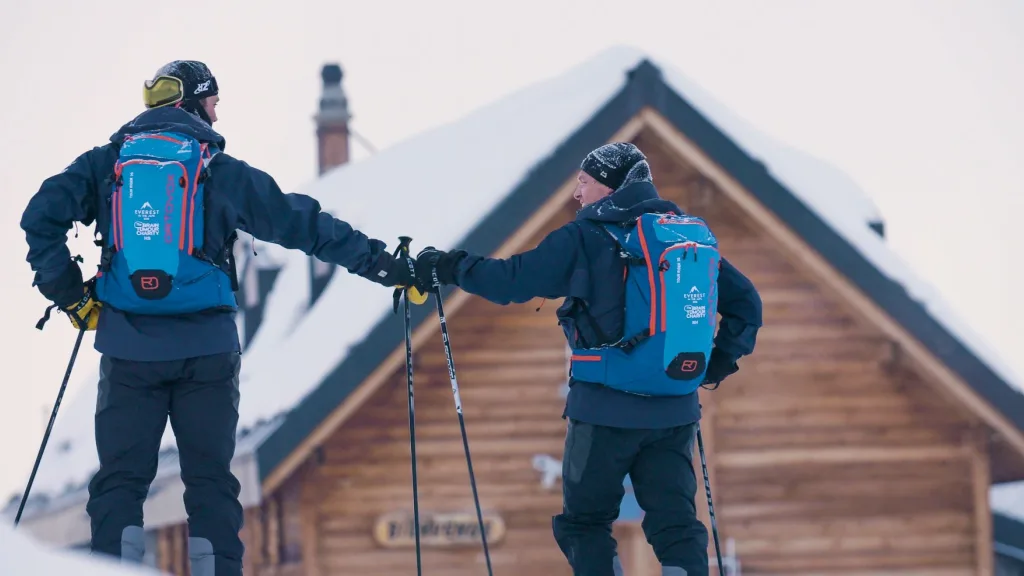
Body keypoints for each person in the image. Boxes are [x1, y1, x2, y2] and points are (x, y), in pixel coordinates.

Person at [20, 60, 420, 576]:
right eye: (212, 102)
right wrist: (384, 265)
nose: (215, 113)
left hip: (127, 349)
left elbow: (39, 217)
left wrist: (72, 297)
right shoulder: (218, 170)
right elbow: (303, 224)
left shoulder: (106, 164)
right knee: (210, 483)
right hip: (207, 351)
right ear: (195, 103)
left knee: (120, 484)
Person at [412, 143, 762, 576]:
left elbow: (509, 282)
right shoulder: (686, 237)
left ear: (610, 186)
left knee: (584, 523)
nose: (577, 195)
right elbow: (747, 304)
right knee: (677, 527)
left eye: (583, 183)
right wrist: (712, 367)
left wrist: (445, 266)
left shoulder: (585, 238)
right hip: (674, 410)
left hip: (603, 410)